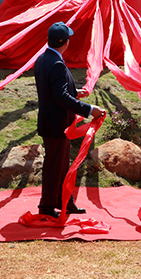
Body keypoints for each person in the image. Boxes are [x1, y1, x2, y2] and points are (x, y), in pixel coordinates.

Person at [35, 22, 106, 218]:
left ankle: (63, 200)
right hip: (57, 124)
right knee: (54, 167)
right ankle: (47, 207)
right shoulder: (56, 63)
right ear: (65, 42)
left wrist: (75, 92)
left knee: (62, 166)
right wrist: (91, 110)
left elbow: (55, 90)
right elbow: (60, 97)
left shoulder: (43, 59)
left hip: (52, 123)